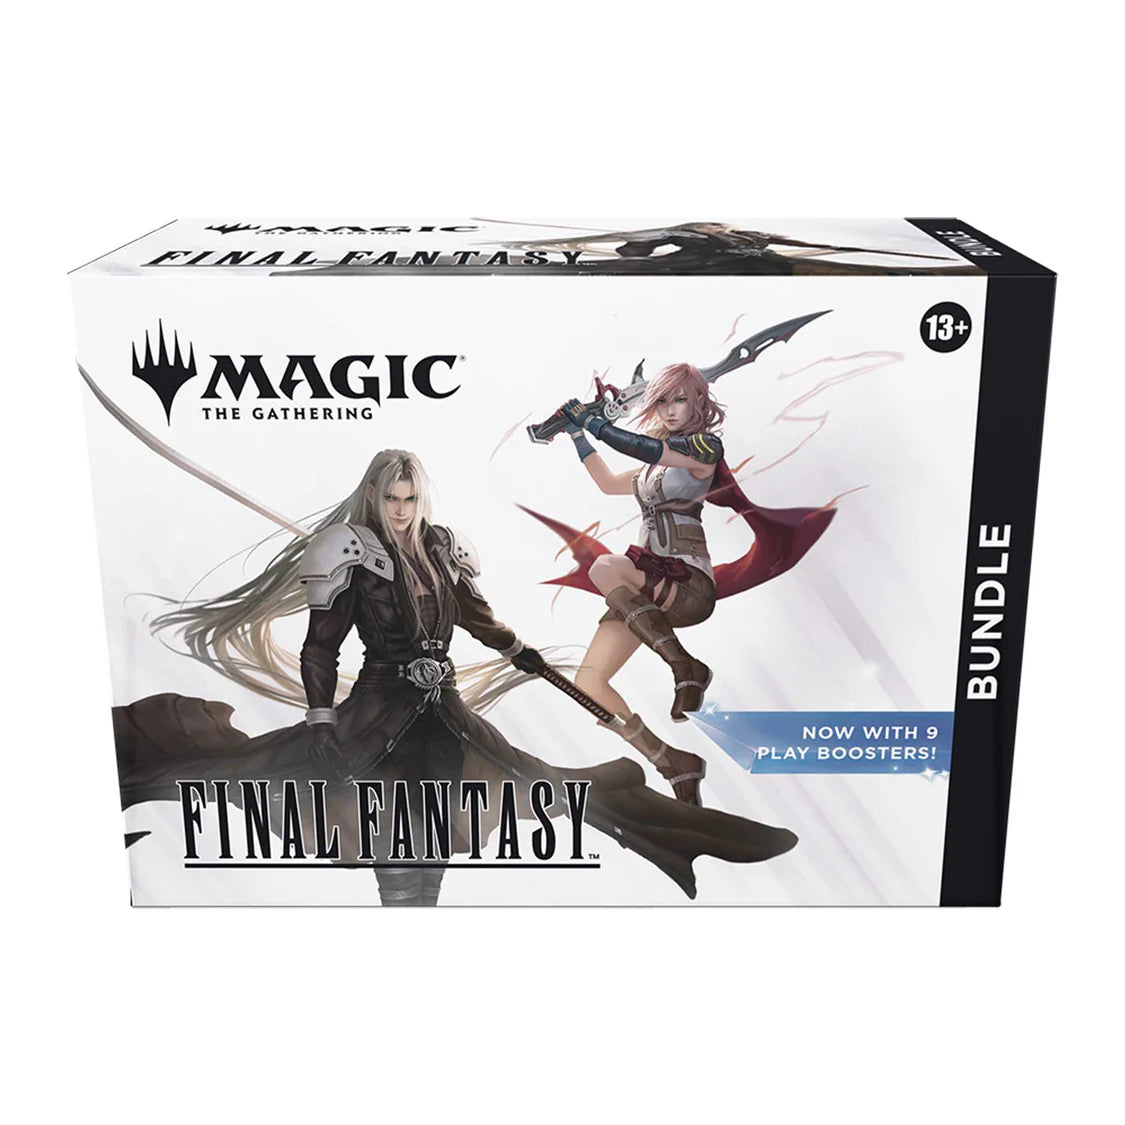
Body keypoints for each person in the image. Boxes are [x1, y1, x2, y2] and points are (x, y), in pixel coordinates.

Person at [114, 448, 798, 904]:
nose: (401, 509)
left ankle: (675, 826)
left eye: (409, 497)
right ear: (374, 496)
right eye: (391, 498)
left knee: (492, 802)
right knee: (391, 833)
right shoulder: (348, 552)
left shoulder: (442, 548)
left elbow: (477, 618)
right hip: (376, 710)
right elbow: (320, 648)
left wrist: (519, 651)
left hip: (441, 708)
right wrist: (320, 718)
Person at [555, 364, 730, 805]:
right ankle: (672, 761)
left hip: (686, 583)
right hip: (643, 589)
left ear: (698, 401)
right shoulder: (654, 470)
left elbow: (643, 446)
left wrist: (593, 422)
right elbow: (607, 483)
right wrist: (576, 434)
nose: (670, 410)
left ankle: (685, 667)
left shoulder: (704, 448)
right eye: (663, 401)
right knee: (589, 683)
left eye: (680, 400)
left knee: (604, 567)